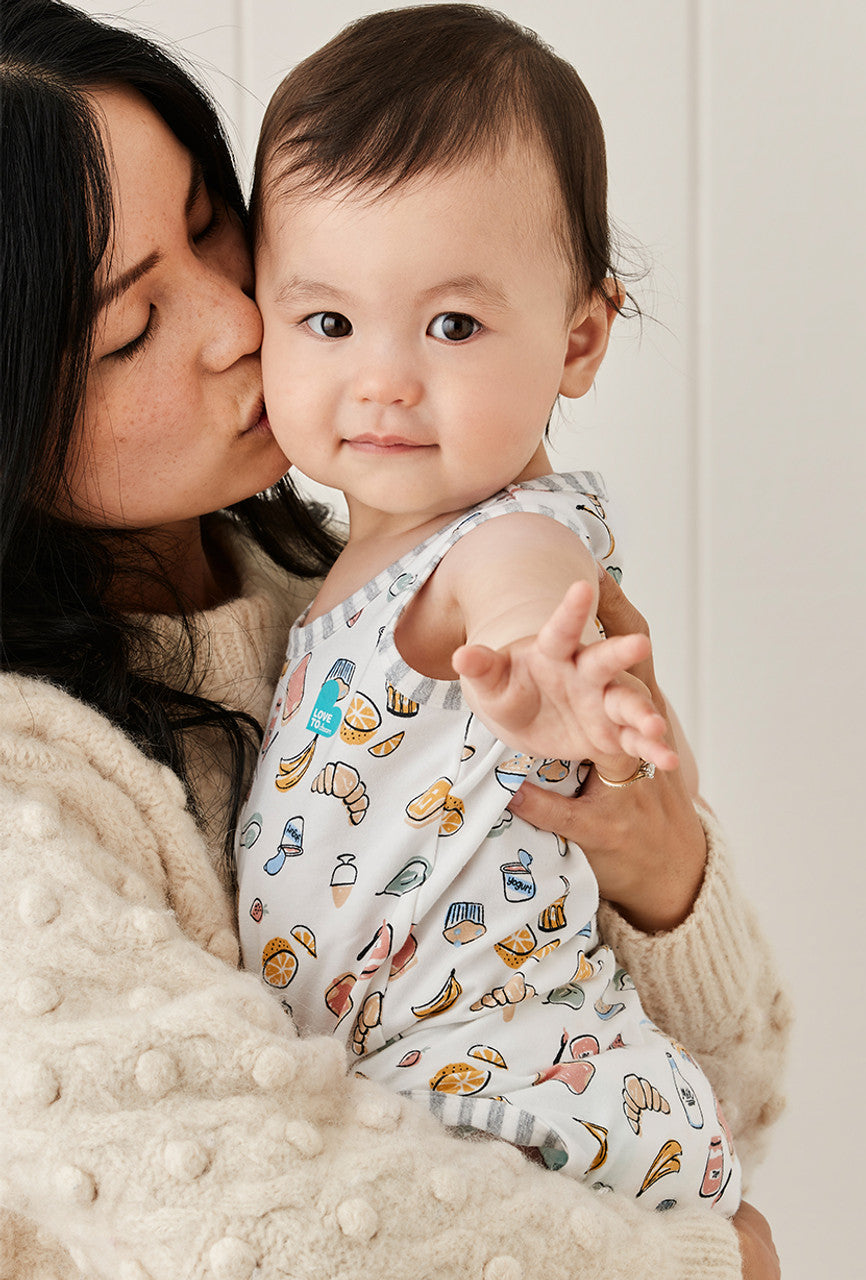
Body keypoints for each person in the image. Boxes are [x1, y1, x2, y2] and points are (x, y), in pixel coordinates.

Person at [0, 0, 787, 1276]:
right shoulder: (30, 778)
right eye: (133, 328)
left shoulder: (366, 579)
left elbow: (730, 1075)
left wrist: (658, 858)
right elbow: (257, 1222)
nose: (239, 322)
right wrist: (701, 1267)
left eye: (215, 226)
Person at [237, 3, 742, 1216]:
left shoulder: (497, 534)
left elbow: (518, 588)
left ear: (578, 338)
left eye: (452, 324)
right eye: (327, 320)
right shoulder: (327, 581)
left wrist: (545, 664)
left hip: (501, 1083)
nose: (383, 377)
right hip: (416, 1081)